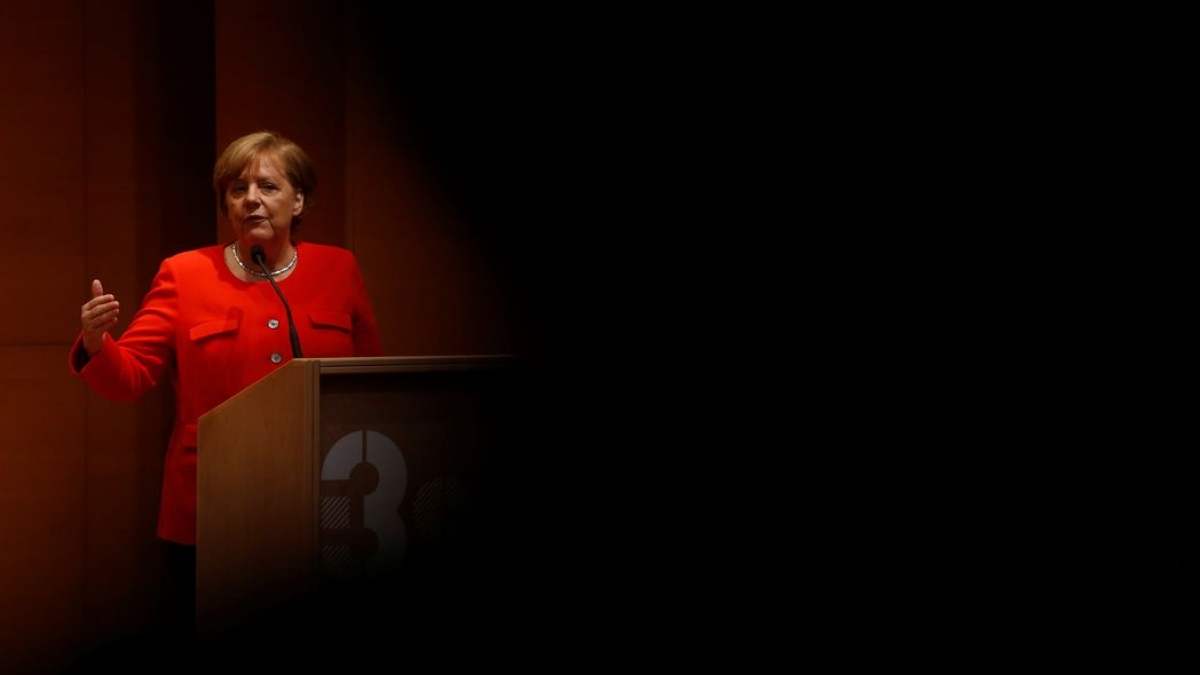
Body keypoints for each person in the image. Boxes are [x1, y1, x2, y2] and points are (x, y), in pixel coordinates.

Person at [69, 130, 384, 643]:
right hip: (211, 510)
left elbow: (375, 381)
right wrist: (96, 342)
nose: (251, 198)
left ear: (299, 199)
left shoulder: (339, 269)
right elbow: (130, 378)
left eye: (267, 185)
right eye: (237, 189)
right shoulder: (185, 274)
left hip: (327, 504)